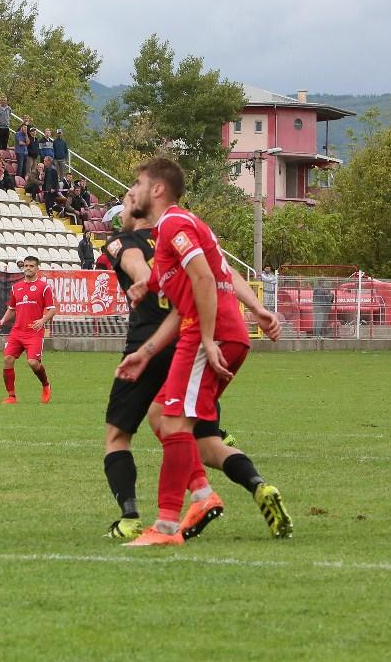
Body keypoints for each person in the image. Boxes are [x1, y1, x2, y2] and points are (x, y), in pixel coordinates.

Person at [99, 192, 292, 542]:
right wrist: (255, 308)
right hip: (198, 339)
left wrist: (148, 282)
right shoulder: (183, 232)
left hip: (162, 340)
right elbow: (222, 271)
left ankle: (139, 517)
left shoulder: (122, 240)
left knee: (120, 435)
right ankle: (257, 485)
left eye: (127, 201)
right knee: (204, 440)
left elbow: (135, 263)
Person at [0, 255, 55, 404]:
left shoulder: (44, 287)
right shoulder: (16, 287)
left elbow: (52, 310)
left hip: (34, 332)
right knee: (7, 360)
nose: (28, 268)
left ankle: (46, 385)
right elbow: (12, 309)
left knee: (33, 363)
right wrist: (3, 320)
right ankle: (11, 396)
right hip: (17, 331)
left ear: (37, 268)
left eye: (31, 266)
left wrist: (42, 320)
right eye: (26, 266)